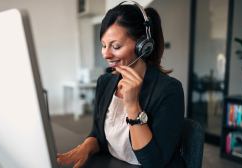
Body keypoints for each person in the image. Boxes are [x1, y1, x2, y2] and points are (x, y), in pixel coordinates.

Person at [57, 1, 185, 167]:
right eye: (103, 45)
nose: (106, 54)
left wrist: (133, 107)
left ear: (142, 46)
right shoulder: (106, 82)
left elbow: (154, 162)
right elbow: (98, 134)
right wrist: (88, 145)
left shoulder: (169, 90)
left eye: (115, 46)